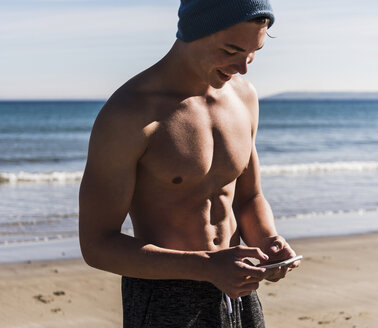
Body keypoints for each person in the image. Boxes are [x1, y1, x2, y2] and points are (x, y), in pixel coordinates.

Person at [79, 1, 300, 327]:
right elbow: (97, 244)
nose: (243, 67)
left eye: (254, 52)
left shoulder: (244, 97)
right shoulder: (129, 114)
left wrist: (267, 241)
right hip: (165, 298)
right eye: (231, 50)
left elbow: (248, 196)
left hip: (238, 288)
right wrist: (207, 266)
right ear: (194, 31)